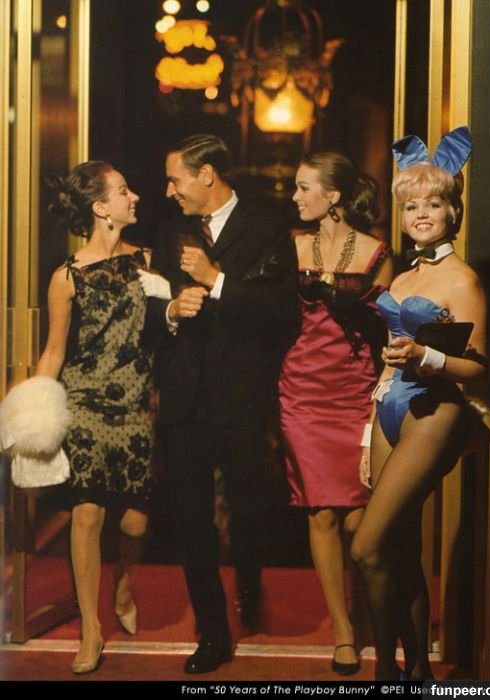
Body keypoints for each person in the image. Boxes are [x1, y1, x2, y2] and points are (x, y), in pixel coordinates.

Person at [138, 133, 298, 674]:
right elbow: (148, 313)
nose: (168, 191)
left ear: (207, 174)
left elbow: (282, 315)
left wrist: (217, 281)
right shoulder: (170, 231)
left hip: (241, 399)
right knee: (191, 519)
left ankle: (248, 582)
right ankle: (212, 632)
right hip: (183, 400)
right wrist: (170, 312)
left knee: (250, 510)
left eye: (175, 180)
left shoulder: (267, 227)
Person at [351, 127, 487, 680]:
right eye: (411, 206)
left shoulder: (463, 280)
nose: (422, 214)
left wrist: (426, 356)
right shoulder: (405, 275)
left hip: (435, 411)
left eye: (433, 203)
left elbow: (479, 368)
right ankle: (415, 674)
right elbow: (389, 362)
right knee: (399, 552)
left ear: (452, 211)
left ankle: (386, 670)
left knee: (366, 547)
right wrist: (368, 433)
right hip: (390, 406)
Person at [35, 161, 154, 674]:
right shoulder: (65, 277)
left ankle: (124, 579)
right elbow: (54, 351)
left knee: (134, 522)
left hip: (136, 405)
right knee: (87, 513)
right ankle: (91, 627)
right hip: (83, 402)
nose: (135, 197)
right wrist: (33, 412)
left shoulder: (148, 262)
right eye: (124, 191)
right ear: (101, 207)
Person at [278, 152, 393, 676]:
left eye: (305, 188)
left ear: (334, 196)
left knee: (359, 520)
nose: (295, 197)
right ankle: (343, 631)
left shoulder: (376, 253)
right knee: (320, 512)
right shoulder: (291, 246)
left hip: (356, 391)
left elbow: (388, 331)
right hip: (302, 392)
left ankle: (371, 616)